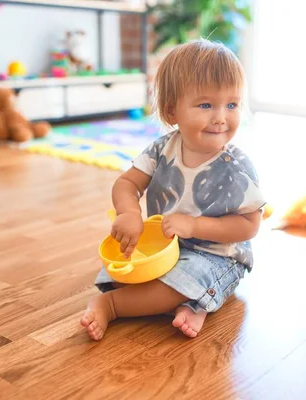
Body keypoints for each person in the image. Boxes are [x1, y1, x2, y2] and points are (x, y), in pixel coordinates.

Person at [80, 39, 266, 340]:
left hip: (218, 256)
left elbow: (249, 226)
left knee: (186, 276)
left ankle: (112, 306)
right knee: (120, 270)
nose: (221, 117)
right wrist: (128, 212)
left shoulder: (236, 168)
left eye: (231, 104)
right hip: (166, 246)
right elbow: (128, 183)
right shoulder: (162, 149)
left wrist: (194, 225)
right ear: (171, 111)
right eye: (206, 105)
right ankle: (192, 304)